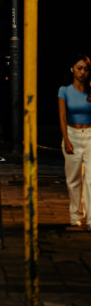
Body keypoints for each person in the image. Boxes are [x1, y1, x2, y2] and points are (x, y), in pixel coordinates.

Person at [58, 52, 91, 228]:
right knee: (74, 179)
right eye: (79, 68)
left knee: (90, 179)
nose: (82, 72)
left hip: (90, 135)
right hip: (72, 133)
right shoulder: (64, 91)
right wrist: (66, 139)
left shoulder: (90, 90)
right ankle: (75, 215)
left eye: (86, 69)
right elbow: (62, 116)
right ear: (72, 69)